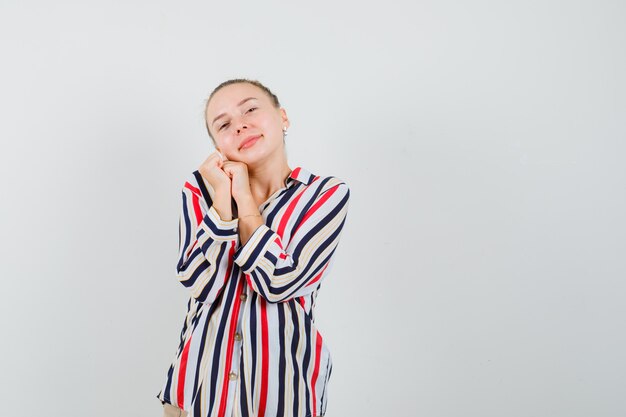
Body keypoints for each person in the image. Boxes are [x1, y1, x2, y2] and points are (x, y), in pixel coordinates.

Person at [156, 78, 351, 417]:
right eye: (224, 124)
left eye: (250, 109)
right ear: (218, 145)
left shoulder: (324, 195)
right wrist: (221, 202)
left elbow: (280, 282)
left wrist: (243, 198)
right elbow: (200, 284)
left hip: (283, 395)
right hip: (196, 395)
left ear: (283, 118)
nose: (240, 124)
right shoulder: (201, 190)